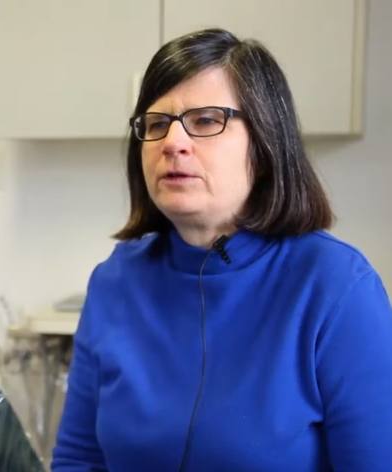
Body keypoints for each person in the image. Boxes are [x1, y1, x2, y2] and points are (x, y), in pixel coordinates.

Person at [51, 28, 392, 471]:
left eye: (207, 120)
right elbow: (80, 459)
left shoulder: (337, 287)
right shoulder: (114, 281)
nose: (173, 142)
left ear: (266, 141)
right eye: (156, 124)